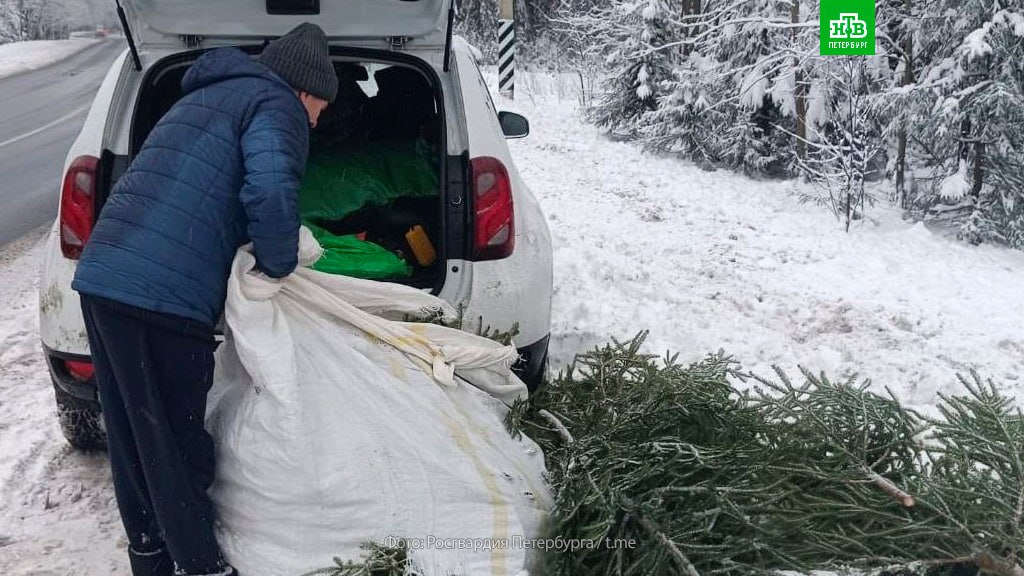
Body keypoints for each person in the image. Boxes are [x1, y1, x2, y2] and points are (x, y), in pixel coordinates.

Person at [70, 22, 337, 576]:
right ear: (306, 89)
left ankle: (150, 555)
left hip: (103, 276)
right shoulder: (276, 104)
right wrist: (276, 263)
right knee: (177, 438)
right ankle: (201, 566)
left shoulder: (207, 95)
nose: (319, 118)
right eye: (322, 106)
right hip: (162, 295)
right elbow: (269, 187)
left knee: (134, 433)